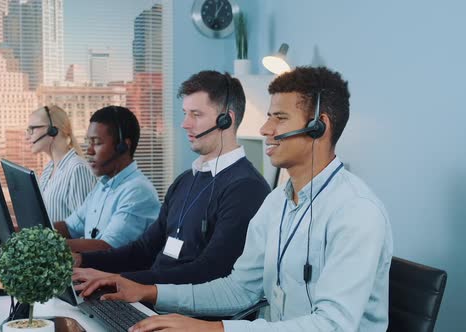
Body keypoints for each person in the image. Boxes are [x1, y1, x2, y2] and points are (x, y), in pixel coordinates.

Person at [82, 67, 394, 332]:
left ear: (318, 127)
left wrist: (211, 328)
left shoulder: (356, 212)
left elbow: (331, 326)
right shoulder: (277, 204)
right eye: (269, 116)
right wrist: (148, 291)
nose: (265, 129)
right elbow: (239, 288)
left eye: (280, 118)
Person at [72, 70, 270, 287]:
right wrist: (82, 260)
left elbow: (210, 271)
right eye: (185, 113)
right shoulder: (185, 181)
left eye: (196, 114)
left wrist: (119, 281)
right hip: (152, 299)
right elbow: (144, 250)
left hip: (187, 314)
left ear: (226, 120)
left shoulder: (246, 188)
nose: (185, 124)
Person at [54, 106, 161, 252]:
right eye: (88, 142)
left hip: (114, 273)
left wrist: (48, 244)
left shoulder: (138, 191)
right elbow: (70, 227)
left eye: (97, 143)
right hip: (91, 271)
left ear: (123, 146)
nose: (89, 151)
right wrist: (31, 231)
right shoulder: (103, 185)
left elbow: (108, 248)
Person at [26, 105, 96, 223]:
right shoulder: (49, 168)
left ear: (53, 130)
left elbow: (85, 226)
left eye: (32, 129)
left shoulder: (77, 170)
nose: (27, 136)